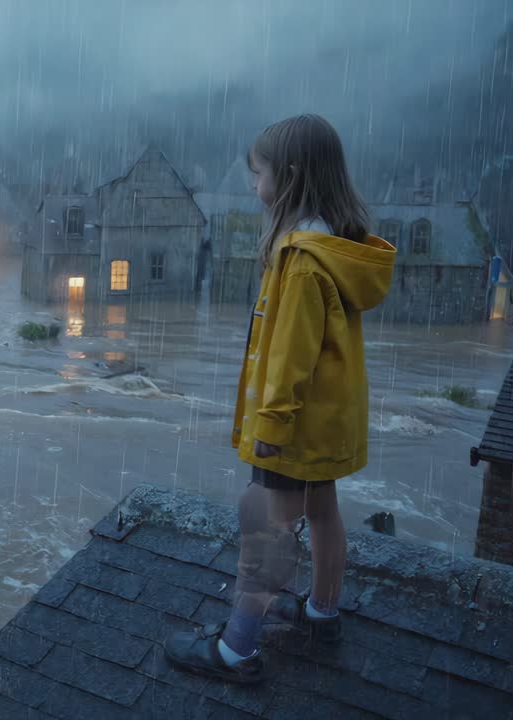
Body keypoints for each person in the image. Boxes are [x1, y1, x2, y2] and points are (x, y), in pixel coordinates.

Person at [164, 114, 396, 684]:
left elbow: (291, 355)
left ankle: (237, 650)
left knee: (264, 526)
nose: (252, 182)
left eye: (258, 171)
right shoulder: (336, 248)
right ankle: (322, 613)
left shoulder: (300, 262)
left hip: (292, 427)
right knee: (323, 513)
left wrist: (270, 424)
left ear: (287, 177)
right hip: (326, 422)